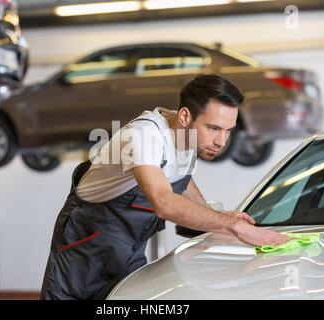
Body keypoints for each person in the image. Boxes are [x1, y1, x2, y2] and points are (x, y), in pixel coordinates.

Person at [40, 74, 292, 300]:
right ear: (185, 116)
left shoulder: (189, 137)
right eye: (213, 128)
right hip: (85, 245)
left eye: (228, 131)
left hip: (128, 248)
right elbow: (162, 199)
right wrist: (234, 226)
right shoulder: (143, 136)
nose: (221, 141)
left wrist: (209, 213)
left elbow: (180, 179)